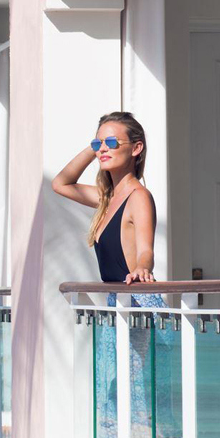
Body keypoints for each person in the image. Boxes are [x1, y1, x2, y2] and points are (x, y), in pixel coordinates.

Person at [51, 111, 165, 308]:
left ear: (136, 148)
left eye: (112, 143)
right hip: (115, 305)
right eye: (98, 144)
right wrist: (97, 146)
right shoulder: (107, 199)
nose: (103, 149)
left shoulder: (138, 197)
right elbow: (60, 184)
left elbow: (146, 251)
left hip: (139, 307)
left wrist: (142, 268)